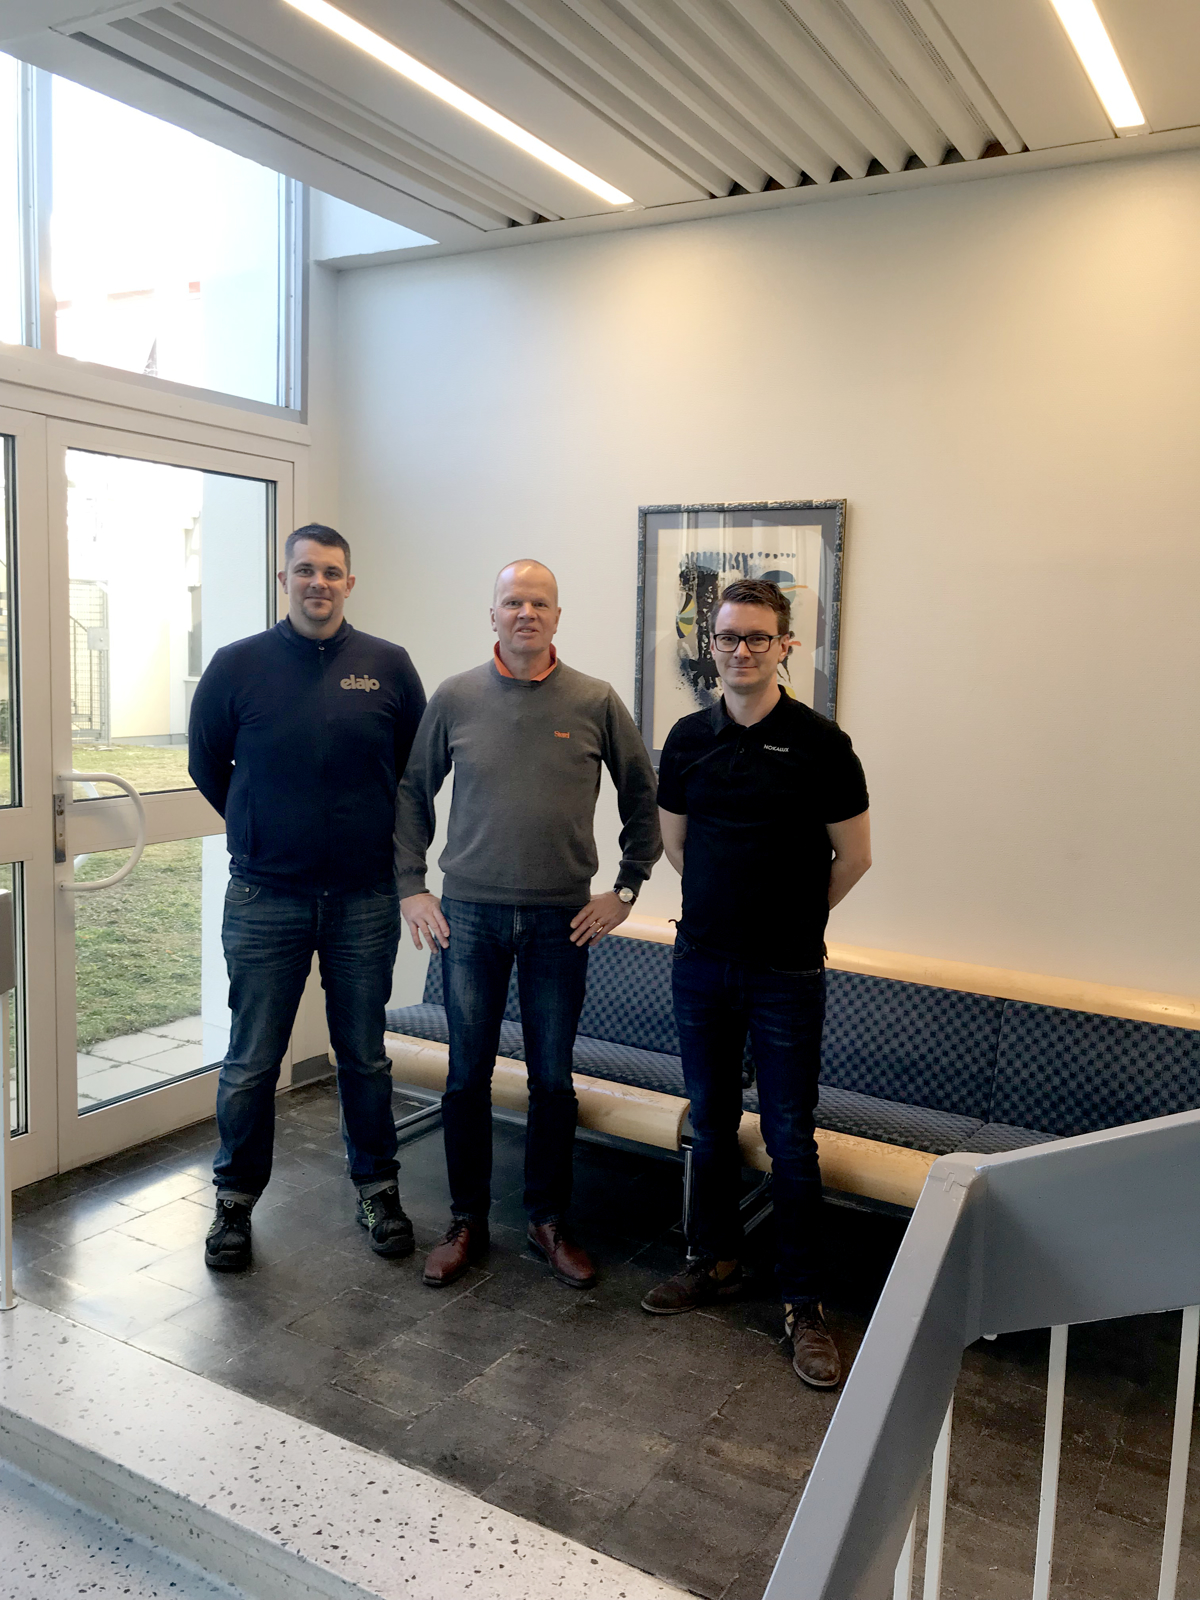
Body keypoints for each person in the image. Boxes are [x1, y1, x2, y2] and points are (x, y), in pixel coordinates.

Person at [395, 559, 661, 1291]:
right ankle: (466, 1221)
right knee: (465, 1077)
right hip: (470, 917)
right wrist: (411, 887)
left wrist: (625, 889)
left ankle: (548, 1220)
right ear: (493, 615)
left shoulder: (595, 700)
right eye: (513, 601)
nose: (526, 613)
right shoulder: (455, 697)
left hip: (558, 922)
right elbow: (412, 794)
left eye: (539, 602)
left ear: (557, 616)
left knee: (551, 1079)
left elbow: (644, 798)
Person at [642, 577, 871, 1389]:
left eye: (758, 637)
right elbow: (678, 847)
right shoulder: (687, 739)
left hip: (786, 975)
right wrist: (726, 914)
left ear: (785, 647)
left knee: (789, 1137)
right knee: (708, 1123)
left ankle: (804, 1304)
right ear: (712, 647)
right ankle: (714, 1261)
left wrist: (790, 922)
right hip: (701, 964)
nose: (742, 650)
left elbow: (855, 857)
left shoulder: (822, 744)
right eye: (729, 637)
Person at [189, 523, 426, 1272]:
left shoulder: (388, 666)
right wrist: (259, 824)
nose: (317, 583)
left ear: (349, 582)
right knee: (251, 1061)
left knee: (364, 1057)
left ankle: (377, 1190)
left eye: (331, 571)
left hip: (363, 898)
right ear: (284, 579)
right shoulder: (237, 665)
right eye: (304, 570)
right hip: (265, 896)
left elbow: (412, 769)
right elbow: (206, 764)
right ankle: (233, 1203)